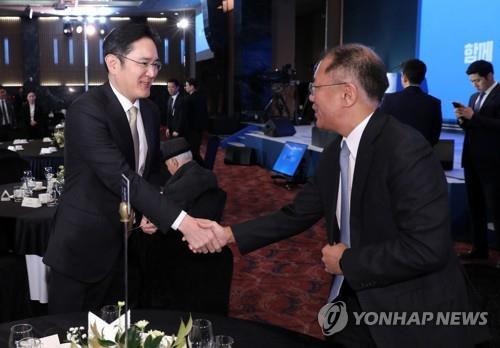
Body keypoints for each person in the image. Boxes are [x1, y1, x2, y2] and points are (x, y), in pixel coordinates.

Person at [200, 44, 489, 346]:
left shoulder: (405, 149)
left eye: (316, 88)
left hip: (407, 317)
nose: (309, 97)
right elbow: (297, 214)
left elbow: (427, 249)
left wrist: (349, 261)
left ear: (347, 94)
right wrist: (227, 234)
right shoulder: (335, 151)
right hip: (353, 303)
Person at [42, 22, 222, 314]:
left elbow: (148, 172)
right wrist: (184, 223)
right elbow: (122, 176)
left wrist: (152, 210)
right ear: (113, 63)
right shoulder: (87, 110)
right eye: (144, 63)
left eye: (156, 64)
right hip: (83, 252)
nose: (153, 73)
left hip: (128, 250)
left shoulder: (149, 111)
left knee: (120, 333)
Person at [138, 137, 232, 314]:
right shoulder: (205, 175)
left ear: (173, 162)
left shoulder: (181, 185)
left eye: (167, 166)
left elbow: (162, 209)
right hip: (210, 257)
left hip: (180, 259)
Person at [453, 60, 500, 262]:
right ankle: (479, 250)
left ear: (489, 75)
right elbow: (473, 127)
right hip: (471, 160)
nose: (475, 85)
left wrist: (475, 117)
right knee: (475, 207)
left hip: (493, 163)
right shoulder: (474, 97)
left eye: (478, 80)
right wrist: (463, 120)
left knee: (496, 210)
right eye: (472, 81)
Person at [380, 58, 442, 146]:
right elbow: (435, 136)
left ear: (404, 78)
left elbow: (381, 129)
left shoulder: (389, 99)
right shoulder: (434, 103)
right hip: (423, 156)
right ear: (423, 78)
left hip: (394, 155)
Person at [184, 78, 208, 166]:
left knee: (193, 152)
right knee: (195, 150)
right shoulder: (202, 97)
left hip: (191, 129)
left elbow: (187, 116)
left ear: (192, 87)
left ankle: (203, 168)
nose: (185, 87)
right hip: (199, 128)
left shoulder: (189, 99)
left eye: (186, 85)